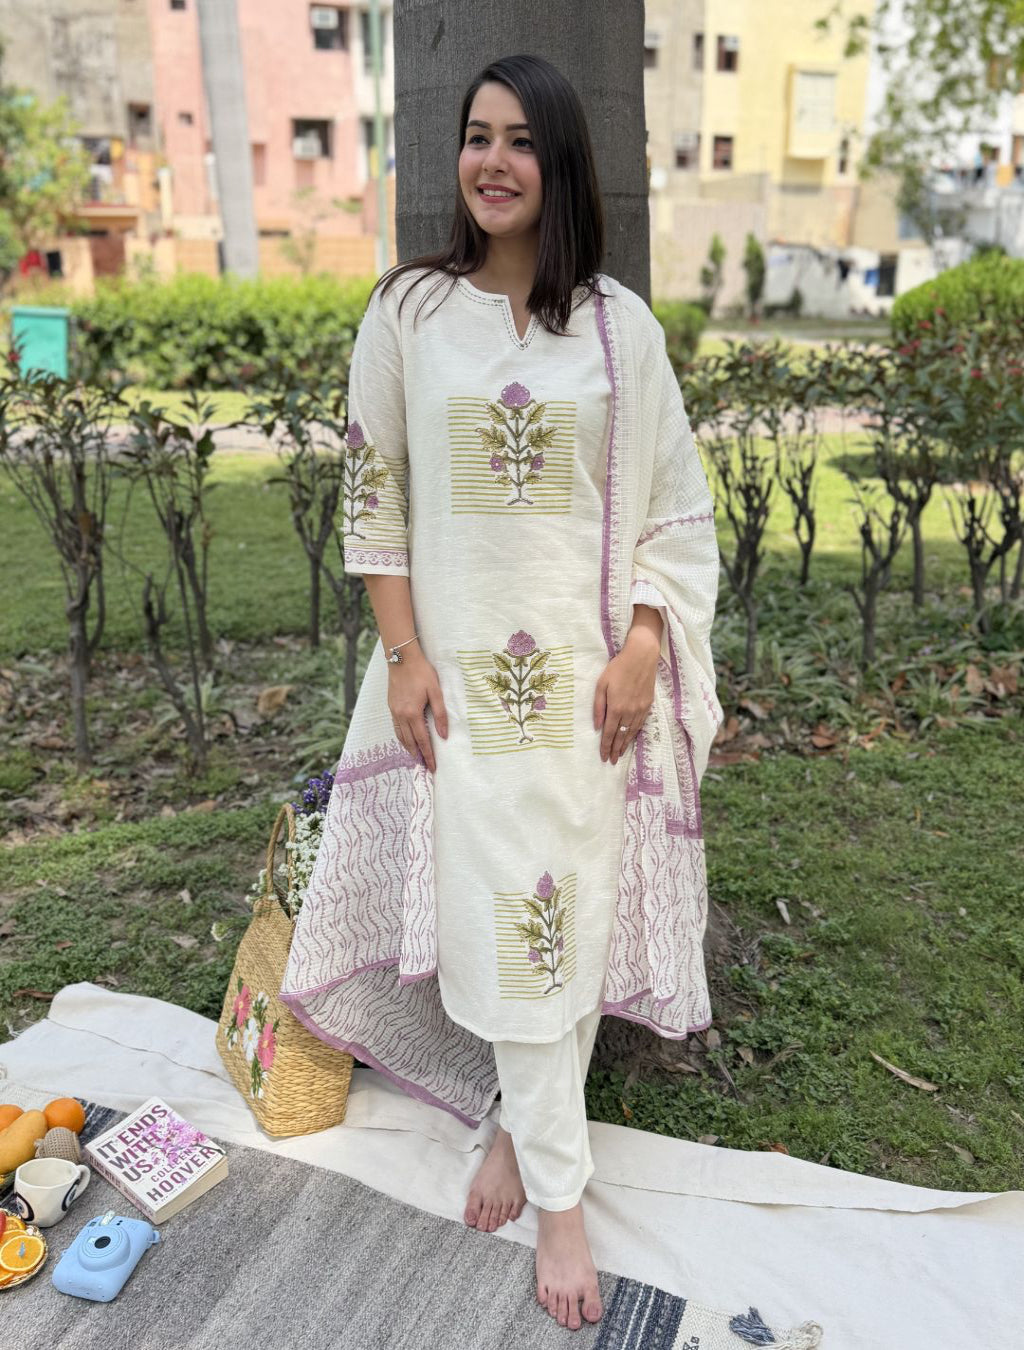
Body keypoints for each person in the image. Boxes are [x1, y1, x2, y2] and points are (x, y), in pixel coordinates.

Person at [280, 52, 723, 1334]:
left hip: (589, 692)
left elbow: (674, 513)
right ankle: (556, 1182)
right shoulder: (408, 312)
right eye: (476, 137)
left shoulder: (617, 330)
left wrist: (646, 645)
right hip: (459, 688)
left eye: (521, 140)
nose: (492, 161)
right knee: (509, 911)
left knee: (562, 916)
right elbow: (374, 499)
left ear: (561, 162)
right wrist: (406, 656)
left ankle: (516, 1139)